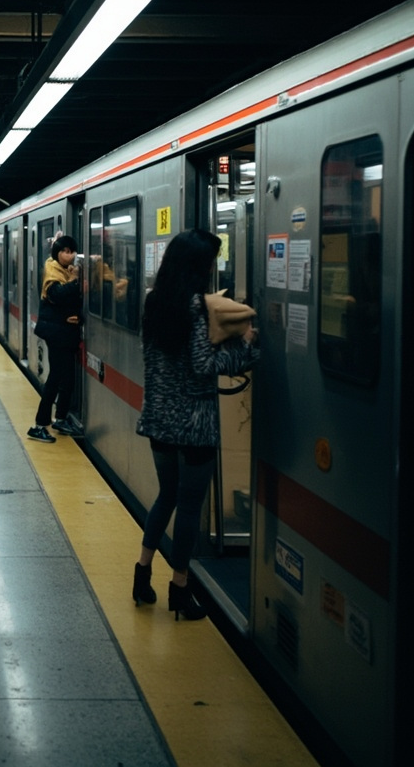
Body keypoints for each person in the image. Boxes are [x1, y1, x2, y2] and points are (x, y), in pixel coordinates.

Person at [132, 228, 259, 620]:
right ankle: (180, 589)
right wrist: (247, 350)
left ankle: (141, 572)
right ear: (198, 266)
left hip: (159, 420)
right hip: (194, 426)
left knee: (165, 497)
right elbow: (204, 365)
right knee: (189, 507)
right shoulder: (196, 308)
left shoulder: (154, 302)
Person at [29, 235, 84, 442]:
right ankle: (39, 424)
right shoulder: (53, 270)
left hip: (66, 332)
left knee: (67, 377)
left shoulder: (69, 271)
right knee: (56, 377)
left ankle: (60, 417)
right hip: (56, 332)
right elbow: (57, 296)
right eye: (65, 251)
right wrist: (75, 280)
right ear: (57, 253)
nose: (69, 255)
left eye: (72, 251)